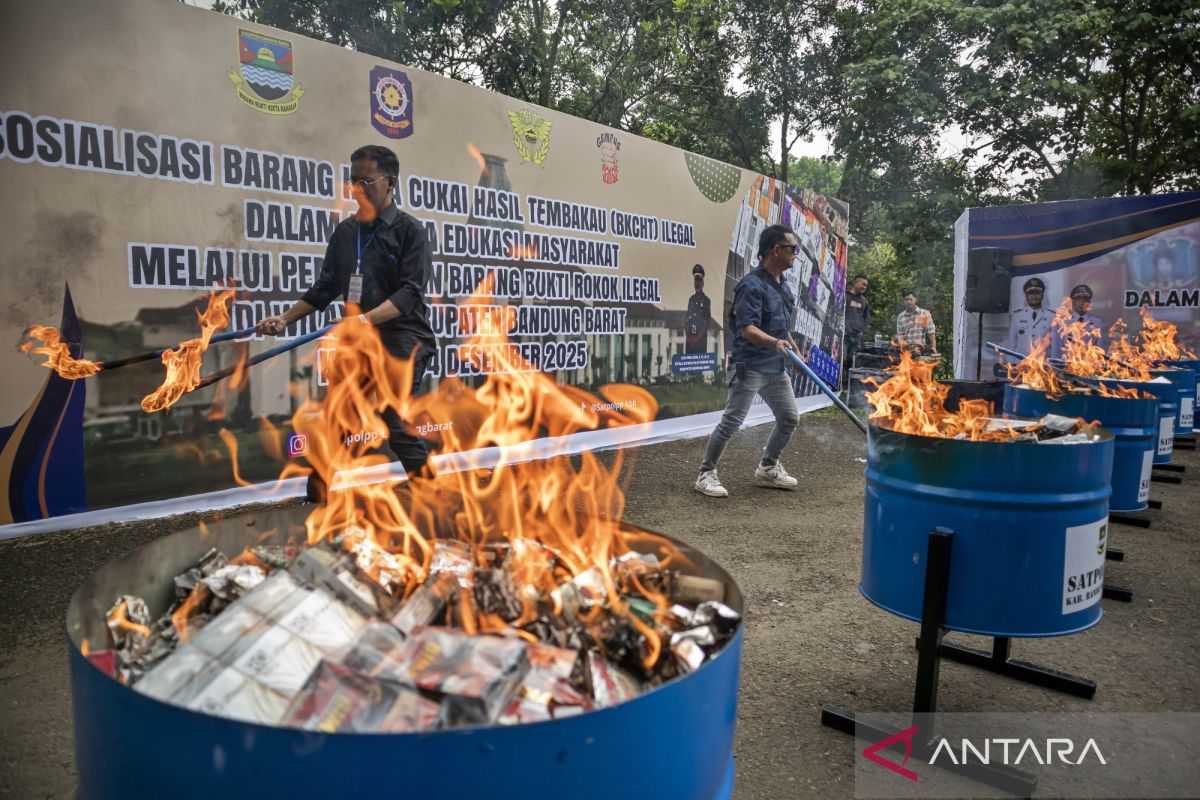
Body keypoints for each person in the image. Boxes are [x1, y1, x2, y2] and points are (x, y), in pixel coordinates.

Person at [256, 144, 437, 478]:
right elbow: (324, 288)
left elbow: (410, 294)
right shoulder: (345, 233)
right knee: (337, 419)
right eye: (353, 180)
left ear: (391, 182)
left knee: (395, 421)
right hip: (359, 340)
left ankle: (432, 493)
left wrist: (364, 320)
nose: (357, 189)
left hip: (403, 339)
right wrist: (284, 319)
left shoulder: (410, 231)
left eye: (366, 181)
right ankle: (317, 499)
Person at [695, 224, 801, 498]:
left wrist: (790, 343)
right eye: (793, 249)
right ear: (776, 250)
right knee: (732, 421)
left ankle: (767, 466)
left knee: (789, 417)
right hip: (751, 366)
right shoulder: (751, 286)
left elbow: (779, 325)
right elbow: (748, 329)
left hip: (775, 368)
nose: (795, 255)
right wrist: (776, 343)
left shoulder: (783, 286)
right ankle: (705, 474)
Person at [1049, 284, 1104, 360]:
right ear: (1073, 302)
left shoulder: (1096, 322)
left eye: (1085, 300)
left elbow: (1099, 349)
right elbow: (1055, 349)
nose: (1082, 302)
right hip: (1067, 366)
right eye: (1078, 299)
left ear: (1089, 303)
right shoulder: (1062, 322)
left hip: (1089, 367)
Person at [1004, 277, 1052, 354]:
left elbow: (1055, 345)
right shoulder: (1017, 316)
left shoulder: (1052, 316)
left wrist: (1053, 365)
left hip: (1043, 363)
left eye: (1037, 293)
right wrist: (1012, 363)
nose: (1034, 297)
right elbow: (1012, 345)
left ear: (1042, 296)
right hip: (1021, 363)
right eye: (1031, 293)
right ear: (1026, 296)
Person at [843, 273, 870, 367]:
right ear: (855, 282)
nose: (864, 287)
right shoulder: (844, 295)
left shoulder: (864, 302)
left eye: (866, 286)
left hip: (855, 338)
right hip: (843, 336)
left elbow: (866, 319)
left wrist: (862, 331)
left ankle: (846, 382)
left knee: (852, 362)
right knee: (842, 359)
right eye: (863, 284)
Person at [685, 263, 711, 353]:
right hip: (690, 341)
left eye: (699, 281)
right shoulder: (691, 299)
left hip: (700, 341)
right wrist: (688, 337)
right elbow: (687, 320)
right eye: (695, 281)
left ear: (703, 283)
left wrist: (696, 339)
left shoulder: (706, 300)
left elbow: (706, 323)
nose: (697, 283)